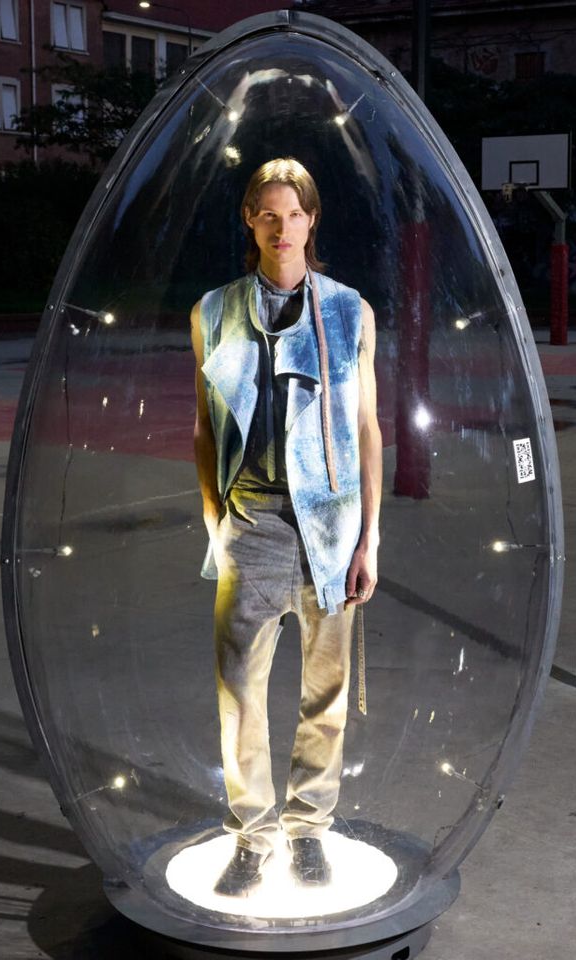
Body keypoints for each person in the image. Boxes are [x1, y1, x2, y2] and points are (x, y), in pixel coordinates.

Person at [190, 157, 382, 897]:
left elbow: (367, 427)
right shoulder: (213, 312)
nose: (282, 227)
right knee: (239, 689)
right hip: (254, 520)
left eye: (294, 213)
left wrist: (369, 537)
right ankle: (252, 834)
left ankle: (309, 830)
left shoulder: (349, 311)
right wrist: (215, 518)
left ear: (311, 219)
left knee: (325, 692)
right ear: (250, 219)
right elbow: (204, 428)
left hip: (329, 524)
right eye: (268, 213)